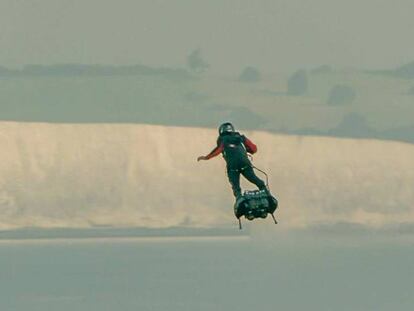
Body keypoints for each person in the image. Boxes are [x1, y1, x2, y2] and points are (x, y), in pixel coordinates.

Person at [197, 122, 269, 200]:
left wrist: (206, 157)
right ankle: (265, 191)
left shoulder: (223, 139)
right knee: (254, 178)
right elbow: (254, 149)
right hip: (245, 163)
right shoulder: (241, 137)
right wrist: (246, 151)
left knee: (235, 185)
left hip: (232, 166)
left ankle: (239, 197)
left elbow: (219, 149)